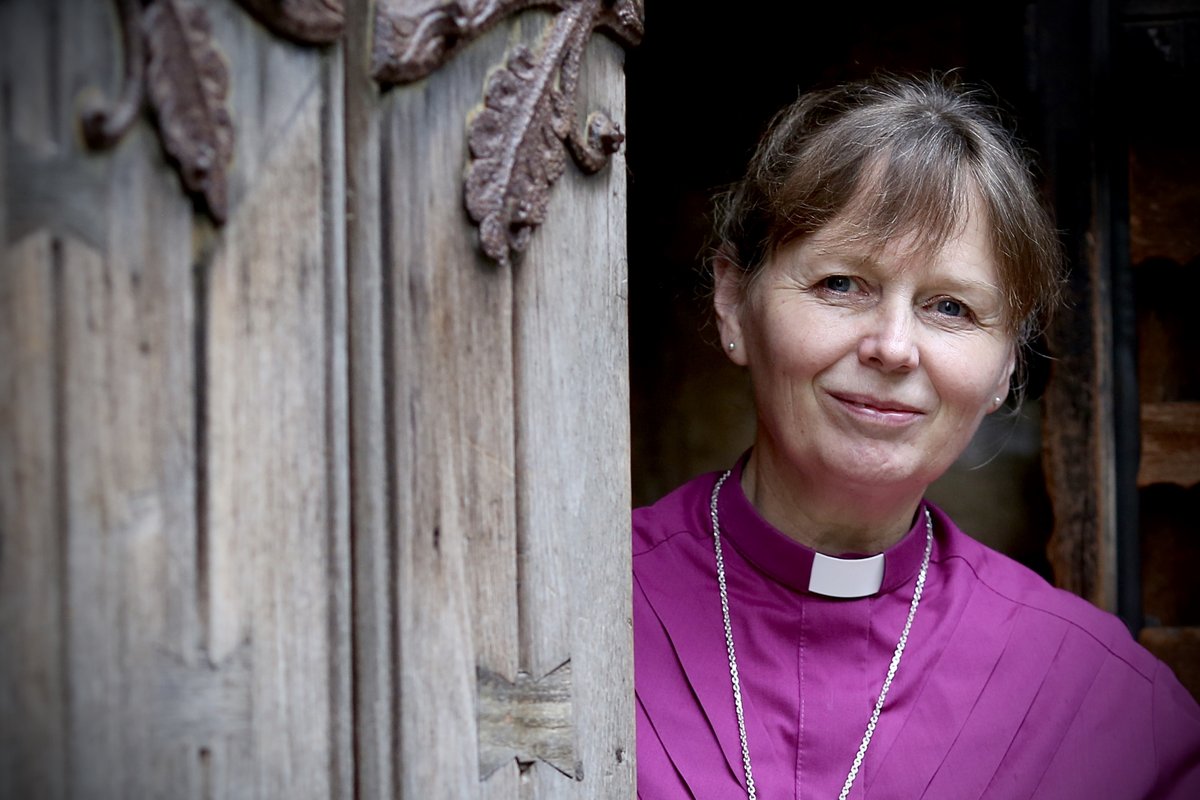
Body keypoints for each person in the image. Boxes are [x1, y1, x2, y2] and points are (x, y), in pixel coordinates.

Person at [633, 73, 1200, 799]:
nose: (893, 348)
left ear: (1006, 367)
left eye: (951, 307)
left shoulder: (1101, 701)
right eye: (842, 283)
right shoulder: (575, 612)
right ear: (733, 304)